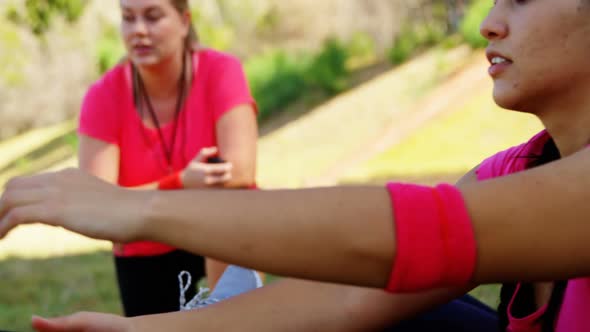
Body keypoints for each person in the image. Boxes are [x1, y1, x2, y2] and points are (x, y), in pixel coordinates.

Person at [2, 0, 590, 331]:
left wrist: (137, 204)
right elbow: (349, 299)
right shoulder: (515, 169)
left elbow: (410, 235)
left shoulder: (219, 71)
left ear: (184, 21)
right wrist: (143, 331)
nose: (490, 21)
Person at [76, 0, 258, 317]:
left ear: (185, 22)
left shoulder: (221, 70)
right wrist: (180, 183)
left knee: (226, 210)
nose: (138, 31)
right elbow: (96, 203)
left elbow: (240, 170)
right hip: (145, 245)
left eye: (153, 16)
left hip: (218, 234)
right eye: (128, 18)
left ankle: (228, 317)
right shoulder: (103, 95)